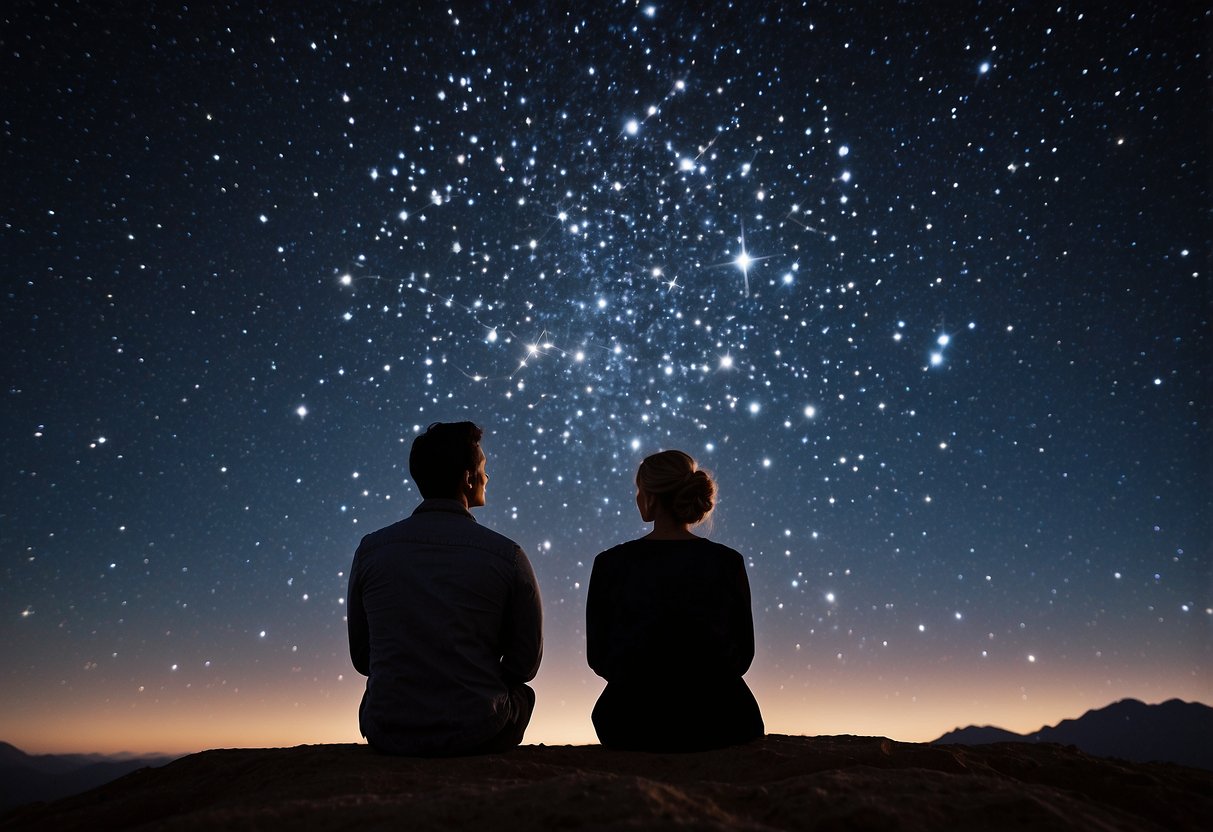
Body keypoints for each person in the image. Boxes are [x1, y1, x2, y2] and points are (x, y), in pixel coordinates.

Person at [347, 421, 543, 756]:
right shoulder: (507, 555)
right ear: (468, 478)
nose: (487, 477)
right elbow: (524, 666)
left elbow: (364, 658)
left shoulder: (371, 549)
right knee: (523, 694)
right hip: (479, 730)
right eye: (483, 468)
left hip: (388, 730)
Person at [585, 449, 764, 751]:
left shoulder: (609, 564)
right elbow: (742, 656)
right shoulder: (727, 562)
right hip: (726, 718)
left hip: (629, 720)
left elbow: (600, 658)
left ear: (651, 498)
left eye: (638, 490)